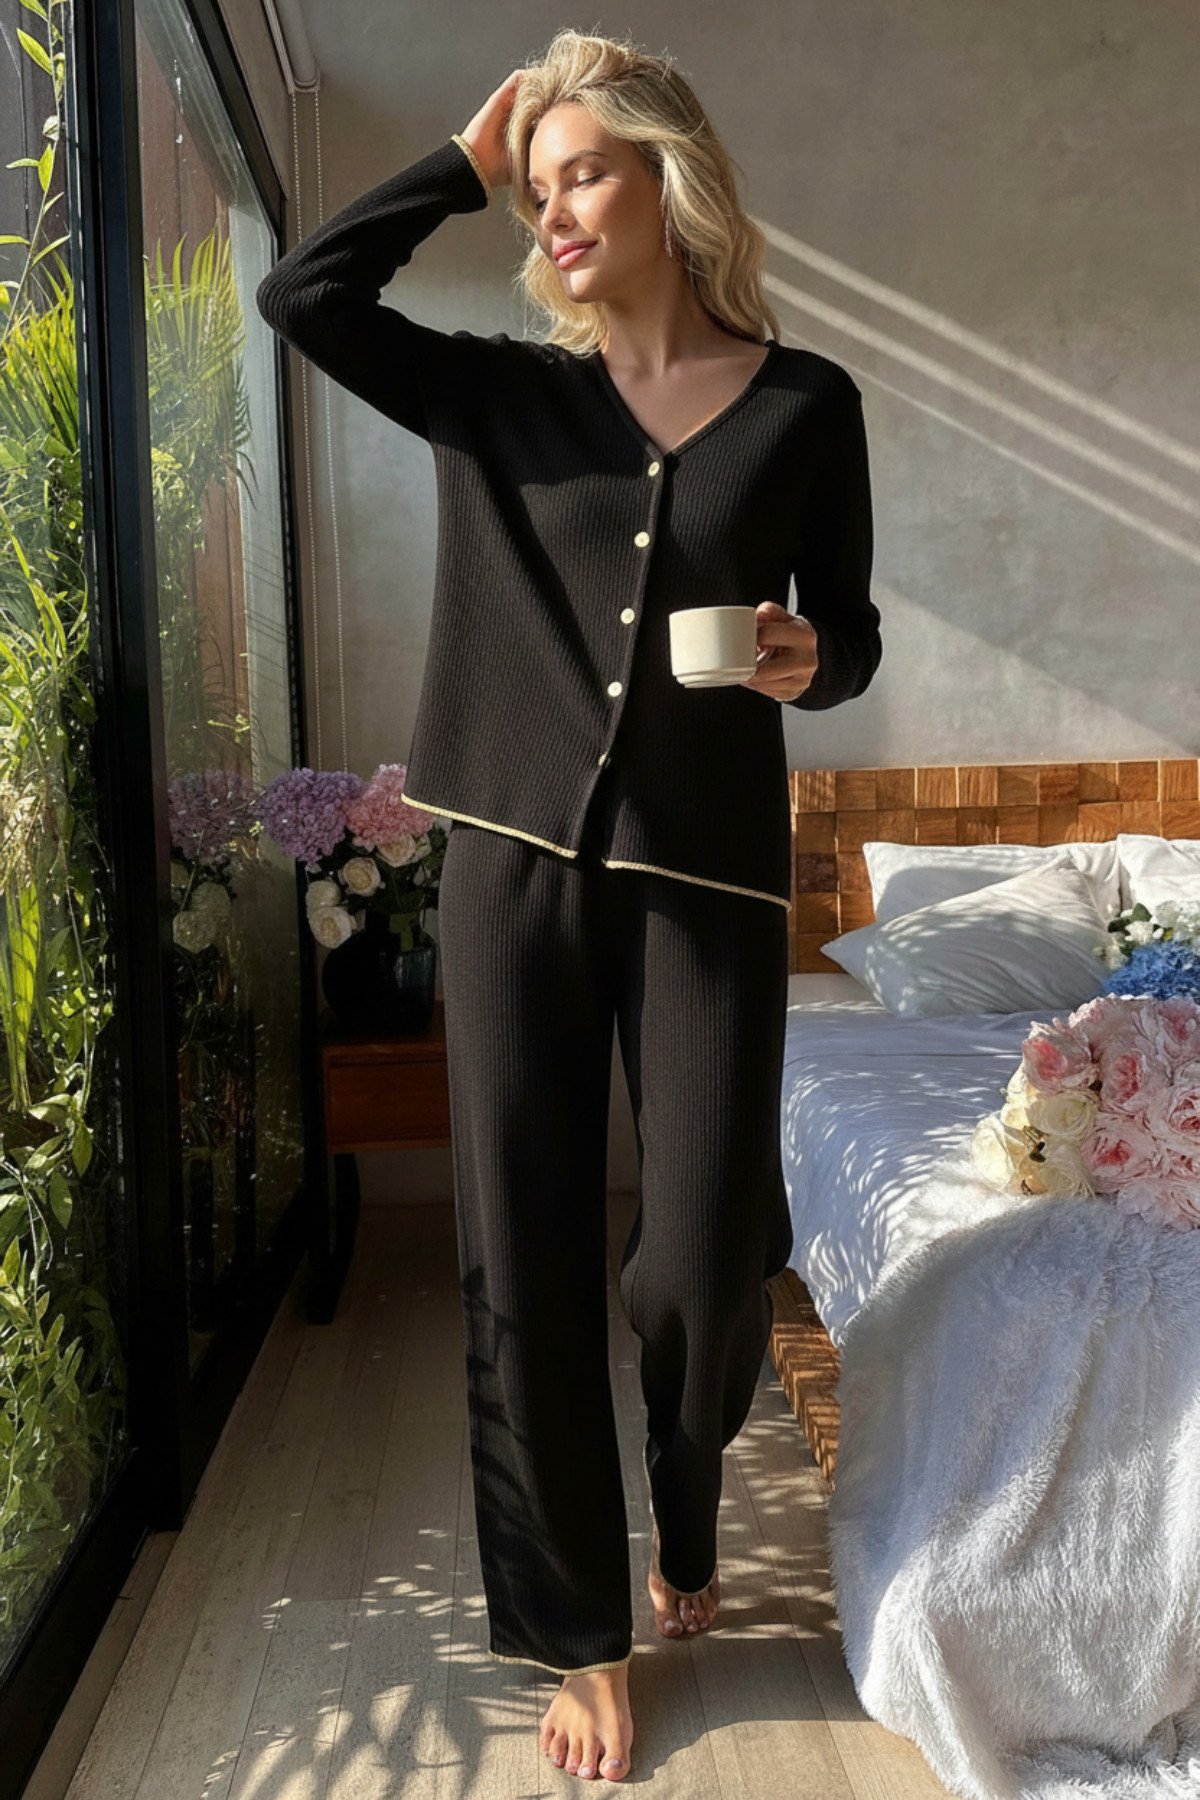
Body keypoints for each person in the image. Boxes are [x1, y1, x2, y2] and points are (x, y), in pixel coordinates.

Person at [257, 26, 881, 1785]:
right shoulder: (495, 393)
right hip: (508, 865)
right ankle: (579, 1634)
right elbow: (303, 297)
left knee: (705, 1254)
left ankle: (688, 1497)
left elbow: (849, 633)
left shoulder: (805, 405)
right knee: (520, 1255)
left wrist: (809, 657)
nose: (556, 208)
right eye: (538, 189)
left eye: (584, 170)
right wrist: (463, 164)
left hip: (707, 879)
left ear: (672, 180)